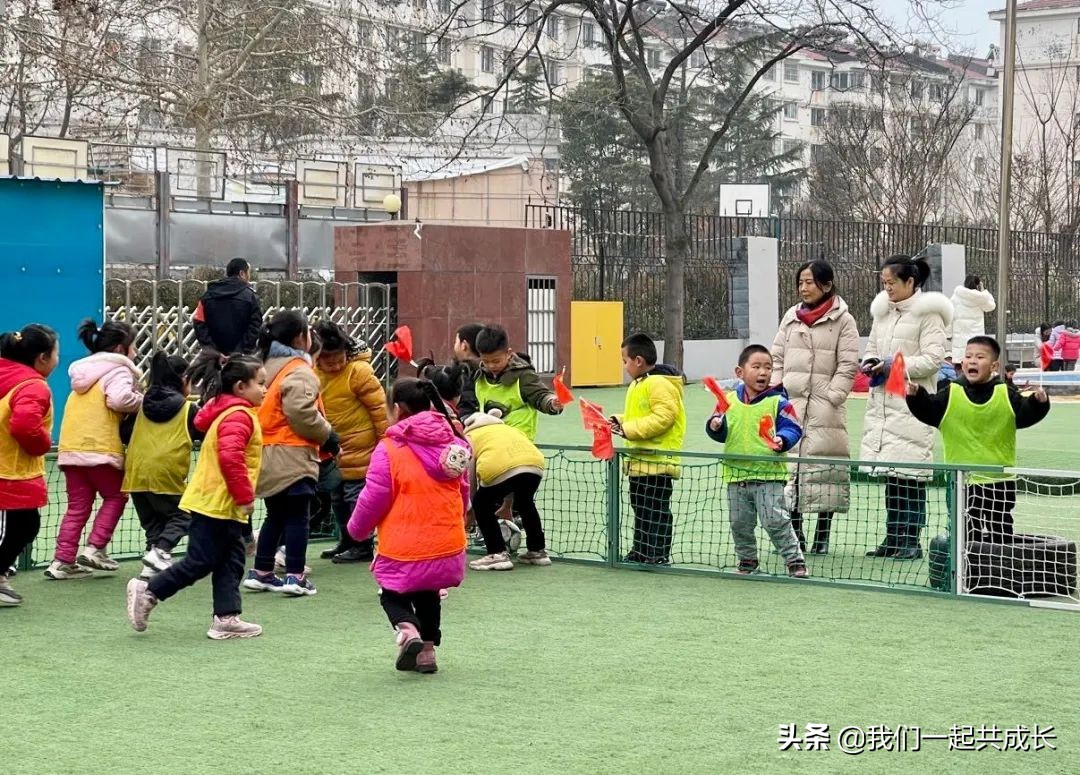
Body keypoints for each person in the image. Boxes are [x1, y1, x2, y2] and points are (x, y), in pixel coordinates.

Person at [126, 354, 268, 639]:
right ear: (240, 387)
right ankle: (149, 590)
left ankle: (226, 617)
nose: (265, 389)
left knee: (232, 557)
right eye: (261, 383)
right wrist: (243, 496)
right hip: (217, 502)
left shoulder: (224, 411)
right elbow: (231, 457)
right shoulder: (238, 416)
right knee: (201, 560)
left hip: (216, 502)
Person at [346, 378, 471, 673]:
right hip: (448, 542)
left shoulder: (390, 448)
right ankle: (427, 653)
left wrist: (356, 530)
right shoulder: (453, 443)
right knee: (429, 594)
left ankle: (407, 631)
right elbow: (464, 492)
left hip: (404, 544)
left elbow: (374, 497)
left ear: (398, 409)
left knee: (391, 591)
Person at [905, 336, 1050, 543]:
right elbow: (929, 409)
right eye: (968, 356)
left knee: (1001, 535)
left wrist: (1039, 402)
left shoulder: (1006, 394)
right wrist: (916, 395)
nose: (972, 361)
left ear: (994, 365)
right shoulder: (950, 393)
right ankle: (967, 575)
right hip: (961, 481)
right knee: (964, 535)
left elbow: (1026, 414)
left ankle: (999, 574)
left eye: (979, 357)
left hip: (999, 481)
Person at [860, 255, 952, 560]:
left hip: (914, 402)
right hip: (884, 402)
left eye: (892, 283)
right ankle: (893, 538)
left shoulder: (929, 314)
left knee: (911, 475)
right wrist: (871, 363)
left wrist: (892, 365)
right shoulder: (883, 312)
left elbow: (932, 359)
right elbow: (872, 347)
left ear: (910, 282)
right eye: (884, 283)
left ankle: (911, 540)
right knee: (892, 475)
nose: (887, 289)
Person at [771, 259, 859, 555]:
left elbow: (848, 364)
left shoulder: (843, 320)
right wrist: (777, 390)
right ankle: (795, 535)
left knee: (826, 467)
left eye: (809, 282)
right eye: (800, 282)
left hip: (826, 406)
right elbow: (778, 356)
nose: (804, 288)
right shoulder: (791, 316)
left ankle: (823, 534)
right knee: (791, 468)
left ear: (827, 285)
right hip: (792, 404)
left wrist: (833, 395)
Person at [244, 311, 333, 597]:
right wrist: (327, 434)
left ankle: (261, 571)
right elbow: (301, 412)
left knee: (275, 516)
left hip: (266, 451)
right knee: (297, 518)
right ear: (300, 338)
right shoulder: (299, 369)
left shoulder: (267, 366)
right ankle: (295, 575)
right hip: (293, 452)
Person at [47, 319, 143, 580]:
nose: (135, 353)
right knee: (116, 496)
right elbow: (120, 399)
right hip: (100, 447)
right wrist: (143, 402)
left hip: (71, 448)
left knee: (77, 506)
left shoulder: (82, 375)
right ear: (121, 349)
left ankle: (62, 560)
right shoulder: (118, 371)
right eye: (133, 347)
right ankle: (96, 547)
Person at [707, 345, 807, 577]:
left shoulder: (778, 402)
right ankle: (747, 561)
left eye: (768, 367)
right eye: (757, 367)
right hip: (736, 474)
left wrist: (783, 439)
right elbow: (718, 428)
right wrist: (714, 426)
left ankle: (795, 561)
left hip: (769, 474)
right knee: (739, 523)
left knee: (775, 520)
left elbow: (793, 428)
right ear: (740, 372)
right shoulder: (728, 400)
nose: (763, 372)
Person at [121, 352, 203, 581]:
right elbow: (203, 432)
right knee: (186, 513)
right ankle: (161, 550)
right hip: (166, 472)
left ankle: (152, 561)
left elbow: (124, 433)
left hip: (135, 472)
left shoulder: (140, 405)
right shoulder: (188, 409)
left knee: (153, 523)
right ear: (183, 379)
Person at [313, 320, 388, 563]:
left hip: (363, 448)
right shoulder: (313, 373)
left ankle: (363, 543)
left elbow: (379, 409)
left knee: (357, 497)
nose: (335, 364)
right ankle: (347, 539)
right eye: (328, 360)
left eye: (339, 358)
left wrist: (385, 441)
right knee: (337, 498)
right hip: (334, 449)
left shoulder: (359, 371)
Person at [611, 333, 686, 565]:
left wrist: (628, 430)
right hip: (639, 462)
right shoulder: (640, 383)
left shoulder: (658, 383)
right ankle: (641, 549)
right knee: (641, 509)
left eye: (625, 361)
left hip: (658, 462)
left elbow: (664, 417)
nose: (624, 367)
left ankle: (658, 553)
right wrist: (620, 421)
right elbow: (641, 416)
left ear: (639, 361)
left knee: (656, 511)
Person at [0, 325, 59, 606]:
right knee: (22, 526)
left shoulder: (8, 375)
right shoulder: (33, 386)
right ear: (43, 357)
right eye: (56, 352)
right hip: (9, 469)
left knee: (24, 526)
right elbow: (25, 426)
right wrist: (43, 443)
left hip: (10, 467)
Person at [465, 412, 550, 571]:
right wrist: (507, 505)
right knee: (525, 502)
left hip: (498, 468)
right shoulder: (509, 429)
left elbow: (470, 477)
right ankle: (538, 551)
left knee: (482, 504)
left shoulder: (471, 436)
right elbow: (514, 466)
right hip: (535, 464)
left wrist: (470, 509)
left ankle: (497, 553)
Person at [474, 324, 562, 440]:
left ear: (508, 353)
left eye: (496, 361)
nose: (491, 366)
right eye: (485, 361)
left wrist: (551, 403)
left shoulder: (523, 375)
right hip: (490, 437)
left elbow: (540, 395)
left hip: (519, 439)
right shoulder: (478, 376)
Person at [192, 257, 263, 355]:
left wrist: (213, 350)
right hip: (241, 359)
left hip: (213, 359)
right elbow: (255, 325)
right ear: (242, 274)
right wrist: (241, 350)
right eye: (248, 273)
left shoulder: (208, 295)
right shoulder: (251, 297)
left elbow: (199, 323)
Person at [948, 275, 996, 362]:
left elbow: (949, 316)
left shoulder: (956, 297)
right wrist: (984, 291)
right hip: (976, 338)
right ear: (978, 285)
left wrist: (948, 334)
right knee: (975, 364)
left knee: (962, 363)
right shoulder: (981, 298)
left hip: (960, 339)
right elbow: (991, 306)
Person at [452, 323, 484, 419]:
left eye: (455, 342)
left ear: (464, 345)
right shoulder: (494, 370)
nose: (454, 346)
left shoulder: (464, 374)